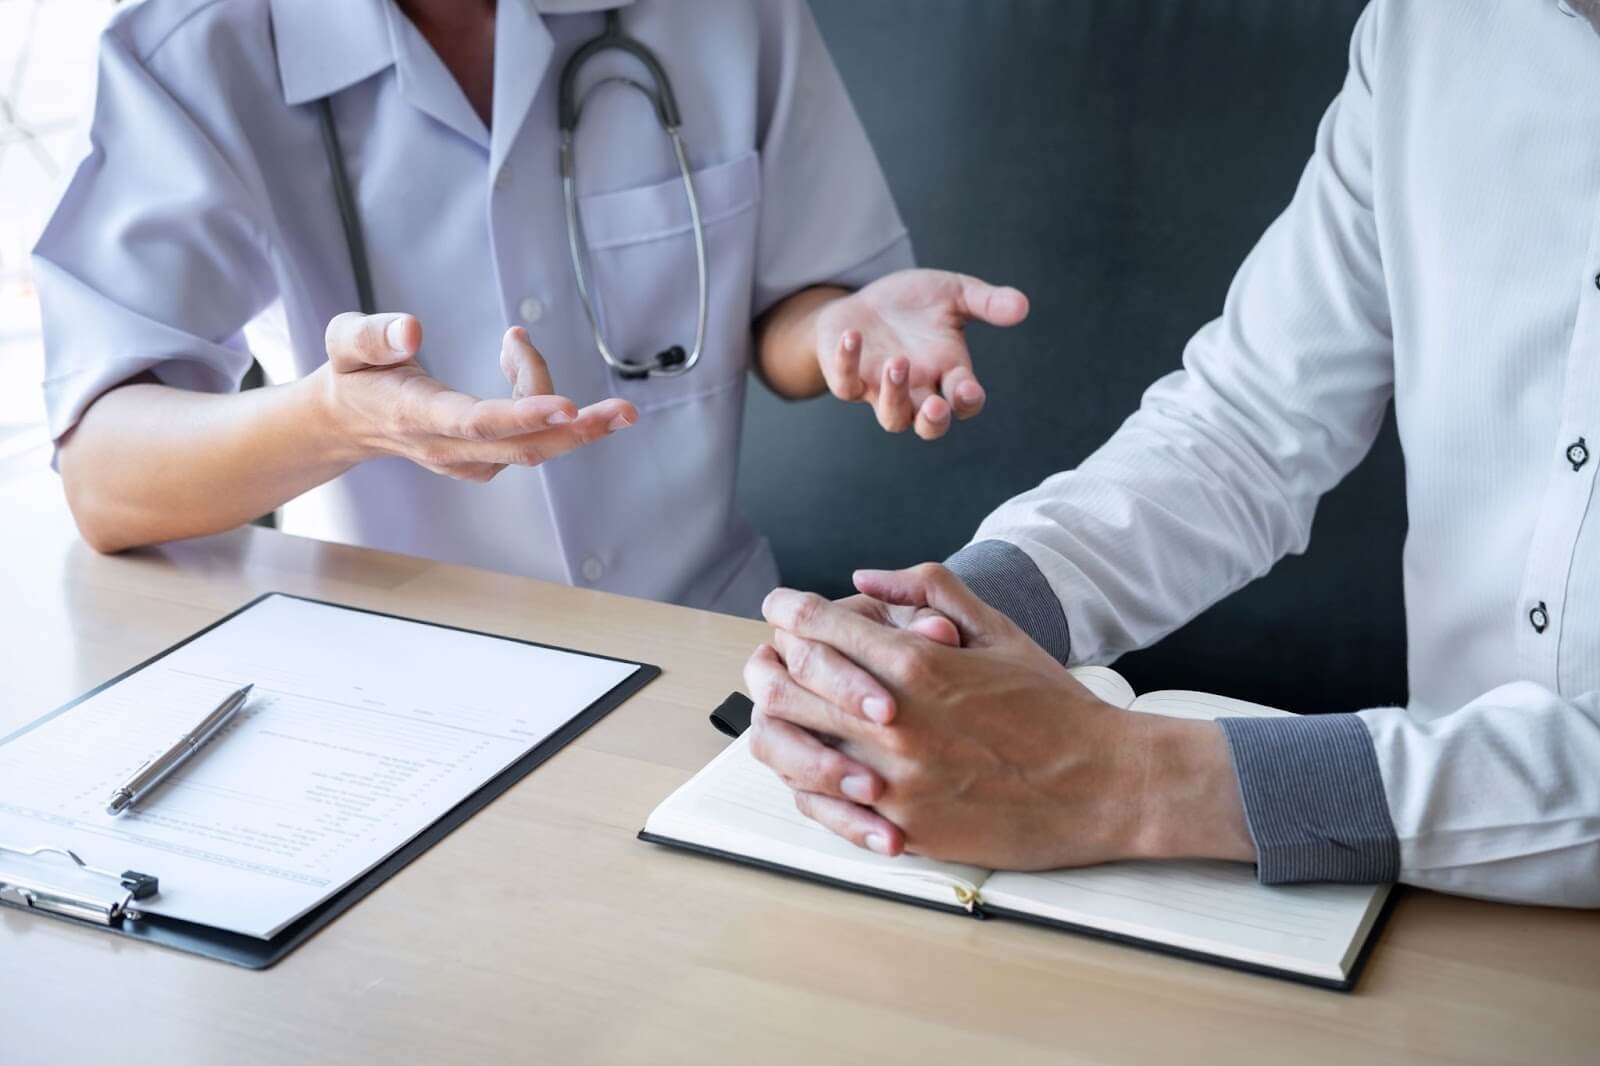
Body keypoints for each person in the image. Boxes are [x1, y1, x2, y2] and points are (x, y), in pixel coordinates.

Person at [745, 0, 1600, 908]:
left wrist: (1134, 781)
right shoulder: (1431, 27)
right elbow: (1245, 424)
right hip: (1431, 889)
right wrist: (952, 628)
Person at [35, 0, 1028, 618]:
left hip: (698, 642)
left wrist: (839, 332)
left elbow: (789, 308)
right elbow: (107, 478)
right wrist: (335, 419)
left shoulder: (724, 12)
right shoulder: (193, 46)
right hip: (387, 670)